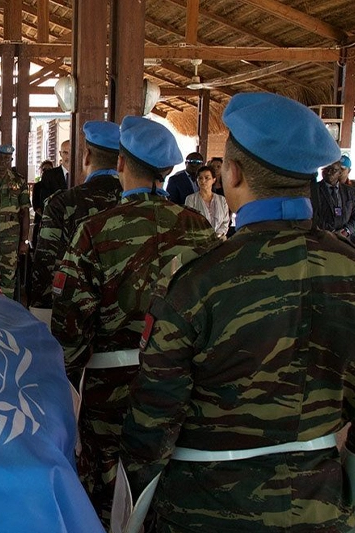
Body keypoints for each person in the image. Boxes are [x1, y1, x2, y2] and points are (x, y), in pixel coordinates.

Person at [119, 92, 353, 533]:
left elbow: (153, 418)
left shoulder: (198, 280)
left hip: (205, 506)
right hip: (322, 504)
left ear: (233, 173)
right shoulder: (349, 268)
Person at [51, 116, 217, 527]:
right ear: (167, 170)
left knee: (107, 486)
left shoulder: (95, 230)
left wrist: (69, 378)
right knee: (165, 477)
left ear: (121, 163)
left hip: (110, 388)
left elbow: (70, 326)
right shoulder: (199, 229)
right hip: (181, 383)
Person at [30, 121, 122, 316]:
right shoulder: (139, 204)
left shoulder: (62, 203)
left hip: (74, 314)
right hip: (129, 317)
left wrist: (41, 312)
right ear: (121, 161)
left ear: (86, 156)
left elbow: (45, 263)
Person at [0, 145, 30, 298]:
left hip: (11, 235)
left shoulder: (19, 180)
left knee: (9, 275)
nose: (3, 161)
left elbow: (25, 212)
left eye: (7, 158)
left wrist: (24, 240)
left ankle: (7, 306)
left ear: (11, 160)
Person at [310, 159, 355, 241]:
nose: (329, 172)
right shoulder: (313, 190)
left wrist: (346, 231)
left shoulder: (350, 192)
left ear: (340, 173)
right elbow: (310, 214)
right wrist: (327, 232)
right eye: (325, 169)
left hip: (345, 238)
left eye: (333, 170)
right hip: (321, 237)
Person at [185, 165, 230, 239]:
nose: (203, 181)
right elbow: (189, 221)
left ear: (214, 180)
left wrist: (217, 235)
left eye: (207, 178)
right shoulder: (191, 199)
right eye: (200, 178)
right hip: (198, 239)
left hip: (219, 239)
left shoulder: (222, 200)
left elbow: (225, 222)